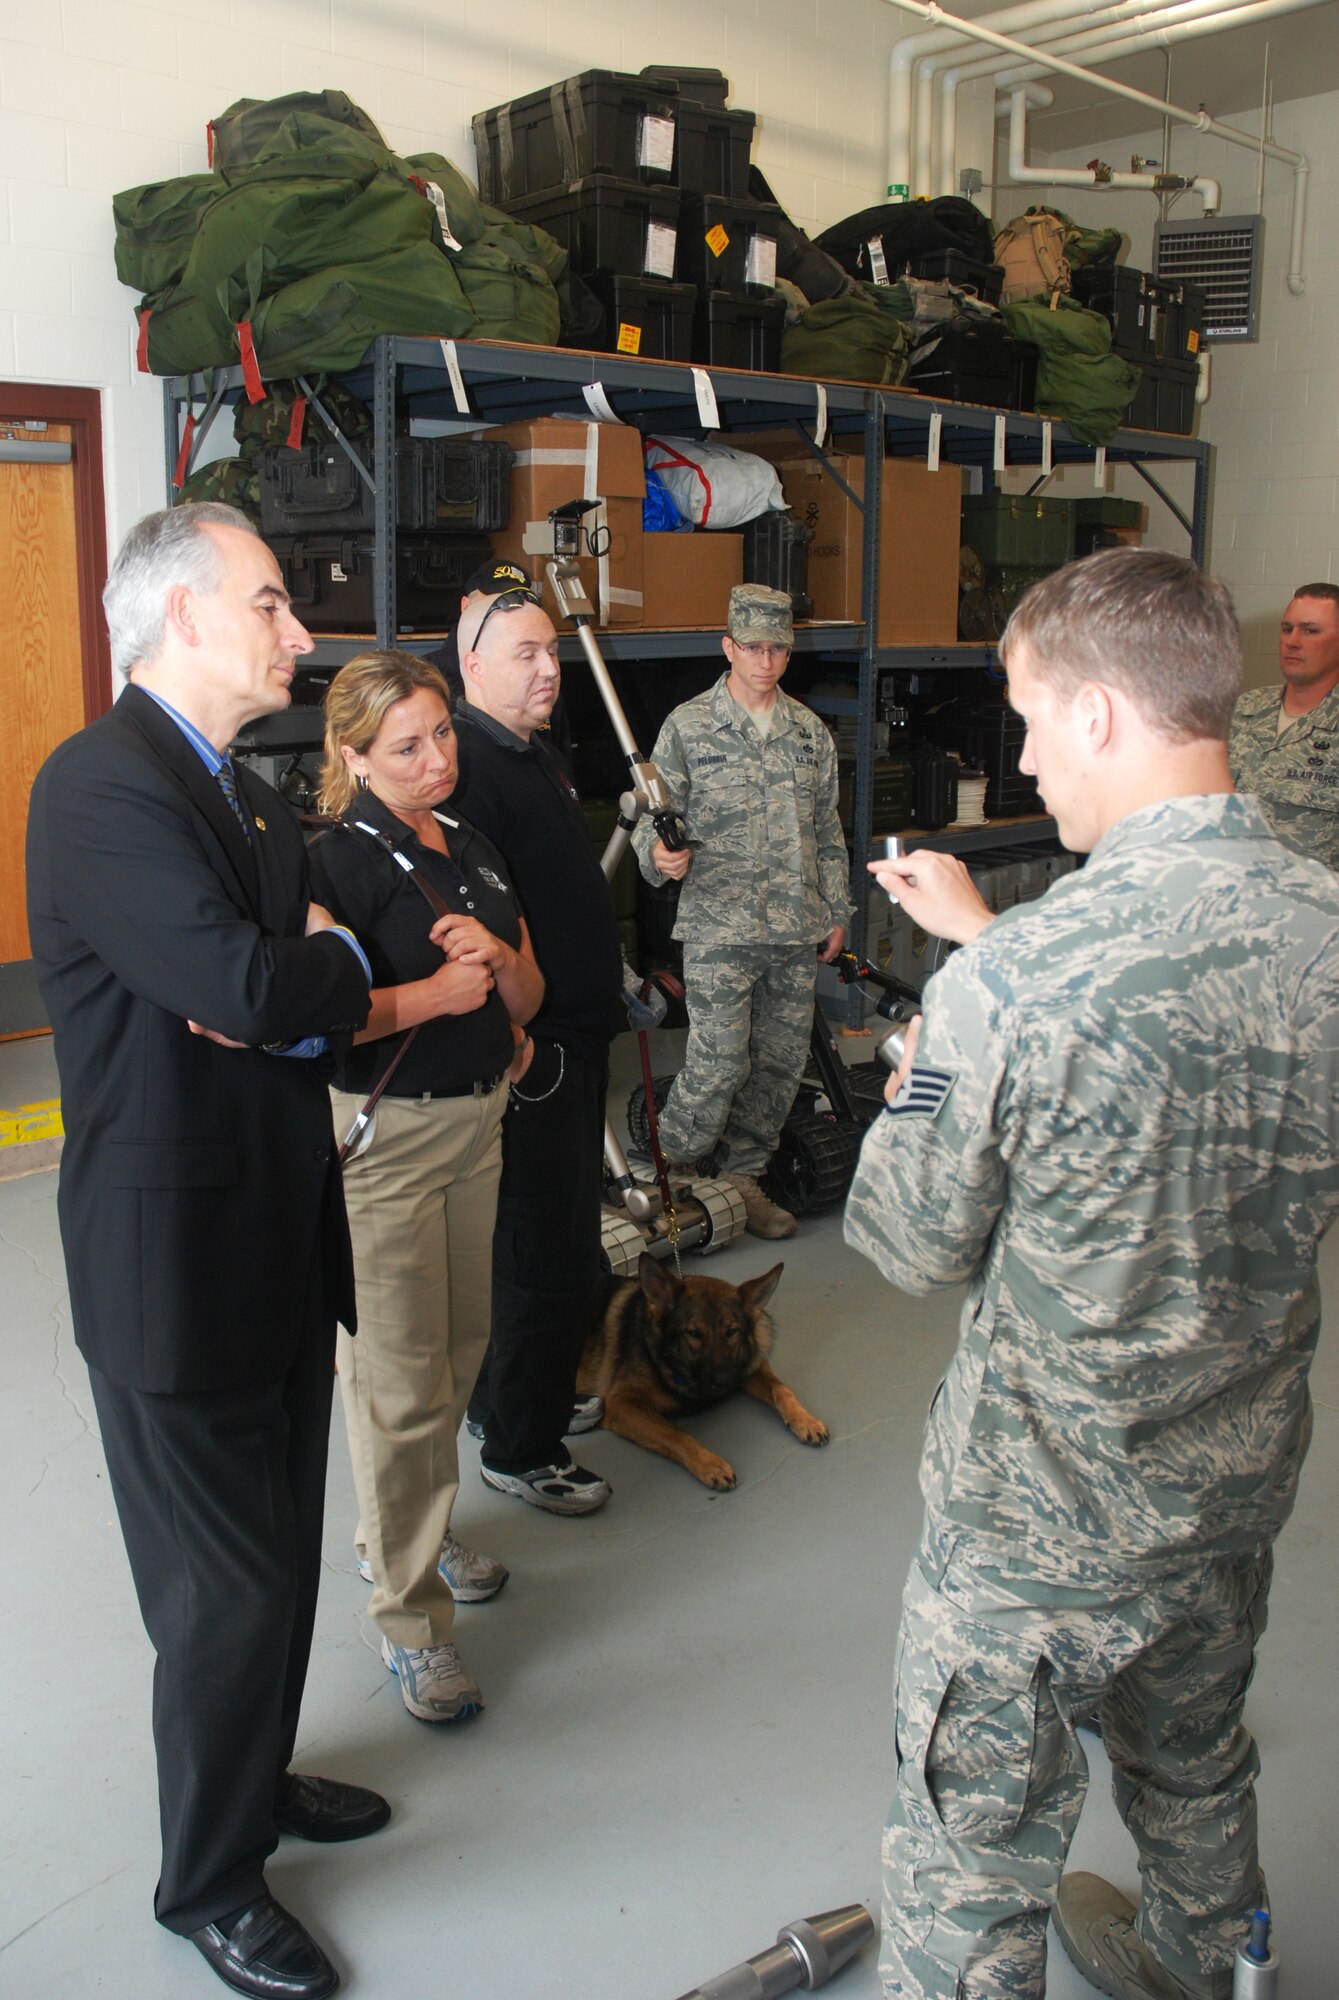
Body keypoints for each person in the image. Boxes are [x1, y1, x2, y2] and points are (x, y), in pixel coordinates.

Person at [845, 547, 1339, 2000]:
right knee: (1191, 1764)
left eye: (1028, 716)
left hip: (1037, 1523)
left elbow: (903, 1240)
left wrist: (925, 1070)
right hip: (1230, 1488)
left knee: (971, 1850)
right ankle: (1206, 1970)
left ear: (1102, 715)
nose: (1019, 754)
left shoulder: (1008, 981)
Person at [25, 504, 387, 2000]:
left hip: (274, 1230)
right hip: (169, 1262)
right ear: (180, 617)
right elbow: (251, 983)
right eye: (271, 603)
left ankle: (253, 1771)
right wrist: (303, 975)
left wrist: (322, 969)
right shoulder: (100, 788)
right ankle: (209, 1881)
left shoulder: (233, 791)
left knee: (282, 1548)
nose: (299, 631)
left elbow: (320, 952)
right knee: (220, 1593)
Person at [307, 650, 544, 1723]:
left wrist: (496, 962)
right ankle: (408, 1619)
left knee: (455, 1350)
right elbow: (320, 1018)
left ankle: (414, 1525)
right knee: (398, 1381)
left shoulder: (477, 847)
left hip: (478, 1125)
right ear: (353, 756)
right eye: (404, 745)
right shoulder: (333, 867)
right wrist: (438, 992)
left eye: (442, 733)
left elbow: (529, 990)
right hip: (390, 1146)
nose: (435, 758)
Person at [449, 585, 624, 1514]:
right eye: (524, 654)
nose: (549, 668)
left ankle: (515, 1398)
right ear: (471, 665)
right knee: (541, 1250)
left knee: (550, 1241)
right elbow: (473, 919)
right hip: (538, 1053)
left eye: (551, 651)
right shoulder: (470, 767)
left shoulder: (530, 753)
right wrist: (516, 1041)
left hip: (574, 1033)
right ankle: (522, 1447)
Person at [630, 583, 851, 1240]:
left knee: (780, 1063)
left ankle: (743, 1177)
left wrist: (836, 909)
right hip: (718, 929)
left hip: (792, 928)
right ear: (728, 647)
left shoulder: (808, 734)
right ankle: (666, 1172)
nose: (765, 660)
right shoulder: (689, 726)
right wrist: (657, 857)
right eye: (752, 647)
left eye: (778, 648)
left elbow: (827, 828)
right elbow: (650, 821)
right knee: (720, 1061)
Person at [1228, 580, 1339, 867]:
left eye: (1310, 631)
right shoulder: (1247, 708)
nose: (1292, 641)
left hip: (1313, 905)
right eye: (1287, 629)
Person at [429, 555, 574, 762]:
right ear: (465, 606)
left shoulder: (542, 682)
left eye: (519, 600)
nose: (507, 610)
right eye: (493, 601)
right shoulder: (426, 682)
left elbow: (559, 760)